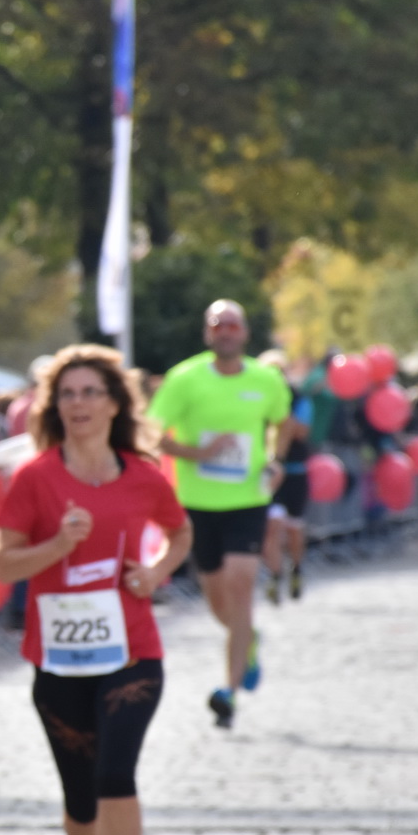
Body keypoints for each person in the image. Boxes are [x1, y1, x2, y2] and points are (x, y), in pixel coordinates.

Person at [0, 345, 191, 835]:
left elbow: (181, 532)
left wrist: (155, 571)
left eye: (89, 393)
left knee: (114, 775)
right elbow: (4, 564)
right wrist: (59, 544)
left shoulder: (142, 475)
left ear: (114, 404)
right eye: (67, 395)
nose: (78, 405)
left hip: (132, 651)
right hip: (58, 657)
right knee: (80, 796)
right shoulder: (35, 479)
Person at [145, 300, 289, 730]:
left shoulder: (266, 379)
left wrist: (276, 459)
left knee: (241, 582)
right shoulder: (185, 378)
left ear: (244, 333)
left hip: (247, 500)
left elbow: (282, 422)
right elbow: (152, 432)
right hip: (198, 503)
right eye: (217, 325)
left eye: (232, 325)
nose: (225, 332)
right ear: (208, 334)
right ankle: (248, 640)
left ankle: (228, 692)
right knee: (218, 600)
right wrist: (197, 453)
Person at [257, 351, 312, 604]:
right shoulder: (255, 398)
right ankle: (273, 575)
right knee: (272, 527)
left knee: (293, 528)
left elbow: (301, 431)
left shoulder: (298, 398)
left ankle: (296, 568)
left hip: (294, 471)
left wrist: (282, 416)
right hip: (266, 473)